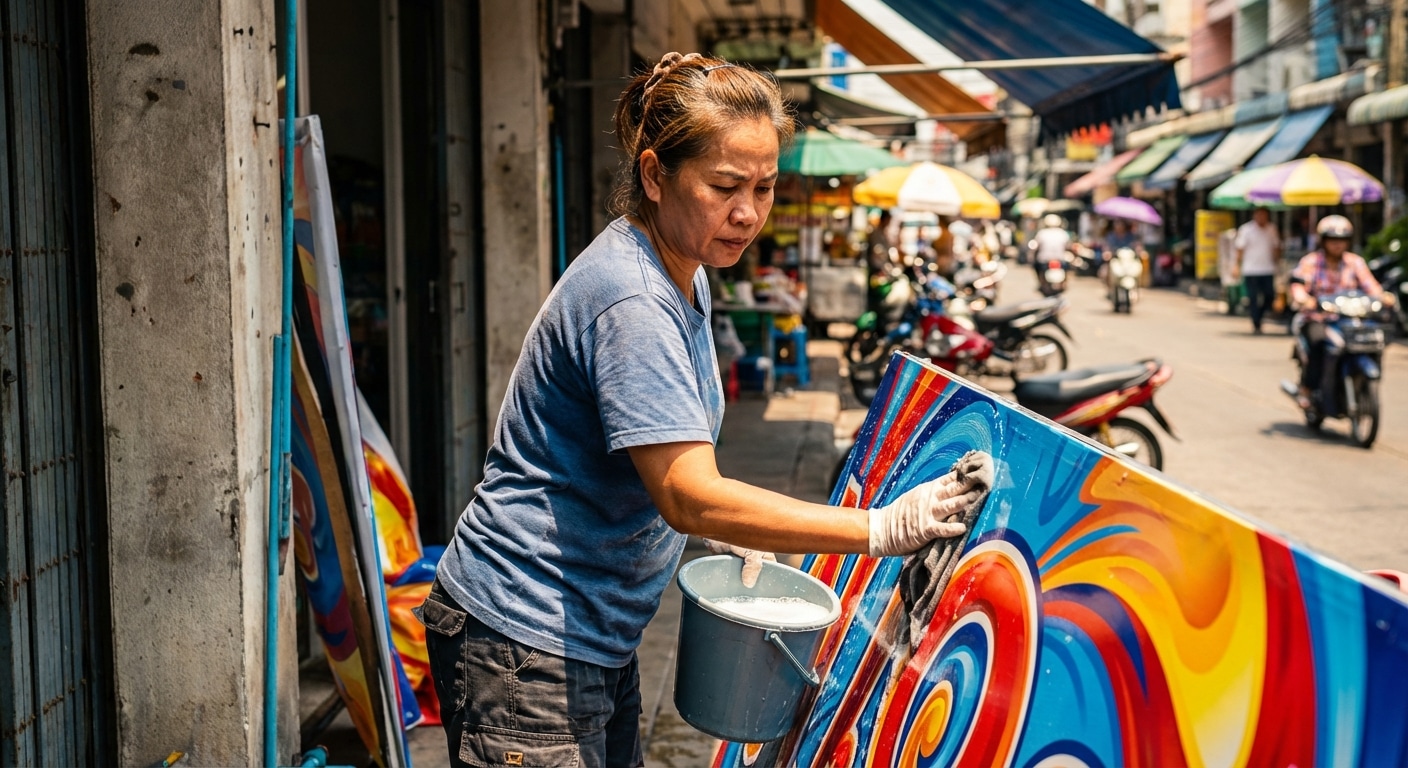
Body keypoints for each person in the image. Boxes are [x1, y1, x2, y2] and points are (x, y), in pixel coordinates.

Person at [419, 52, 985, 768]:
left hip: (587, 634)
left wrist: (714, 523)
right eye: (724, 186)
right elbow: (689, 492)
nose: (747, 212)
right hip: (526, 641)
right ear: (655, 176)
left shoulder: (684, 274)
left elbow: (662, 457)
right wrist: (880, 527)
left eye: (764, 187)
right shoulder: (632, 299)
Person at [1288, 215, 1389, 409]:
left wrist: (1383, 297)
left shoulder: (1355, 262)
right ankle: (1307, 389)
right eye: (1333, 240)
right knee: (1320, 343)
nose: (1337, 245)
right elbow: (1298, 285)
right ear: (1323, 241)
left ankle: (1360, 384)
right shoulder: (1311, 262)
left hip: (1350, 319)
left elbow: (1371, 287)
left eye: (1341, 240)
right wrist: (1305, 299)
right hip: (1320, 319)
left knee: (1375, 340)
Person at [1232, 208, 1282, 334]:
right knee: (1253, 297)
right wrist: (1236, 266)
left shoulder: (1272, 229)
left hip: (1267, 269)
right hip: (1250, 270)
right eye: (1259, 215)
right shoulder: (1246, 230)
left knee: (1269, 296)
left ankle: (1259, 316)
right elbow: (1240, 249)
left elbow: (1276, 247)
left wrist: (1278, 262)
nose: (1261, 218)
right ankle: (1256, 323)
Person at [1030, 213, 1070, 280]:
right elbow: (1068, 246)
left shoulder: (1041, 233)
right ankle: (1064, 281)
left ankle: (1041, 280)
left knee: (1036, 266)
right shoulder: (1063, 233)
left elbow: (1035, 246)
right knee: (1067, 267)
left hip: (1044, 261)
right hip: (1060, 259)